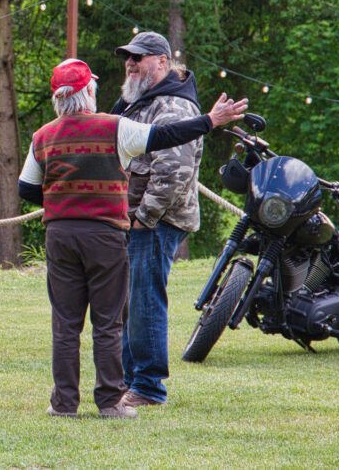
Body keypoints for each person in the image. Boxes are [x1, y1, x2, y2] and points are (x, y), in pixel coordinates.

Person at [18, 58, 246, 419]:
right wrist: (209, 121)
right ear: (88, 93)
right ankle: (109, 402)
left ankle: (63, 404)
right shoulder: (115, 128)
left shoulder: (43, 135)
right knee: (108, 322)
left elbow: (26, 188)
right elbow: (164, 136)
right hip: (106, 235)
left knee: (65, 324)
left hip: (60, 235)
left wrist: (65, 198)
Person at [109, 31, 202, 408]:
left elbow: (174, 172)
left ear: (162, 62)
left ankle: (147, 387)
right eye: (128, 57)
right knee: (130, 301)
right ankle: (131, 381)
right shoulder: (138, 101)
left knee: (145, 300)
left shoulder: (174, 108)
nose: (130, 63)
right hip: (133, 219)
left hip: (155, 221)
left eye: (139, 57)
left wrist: (143, 217)